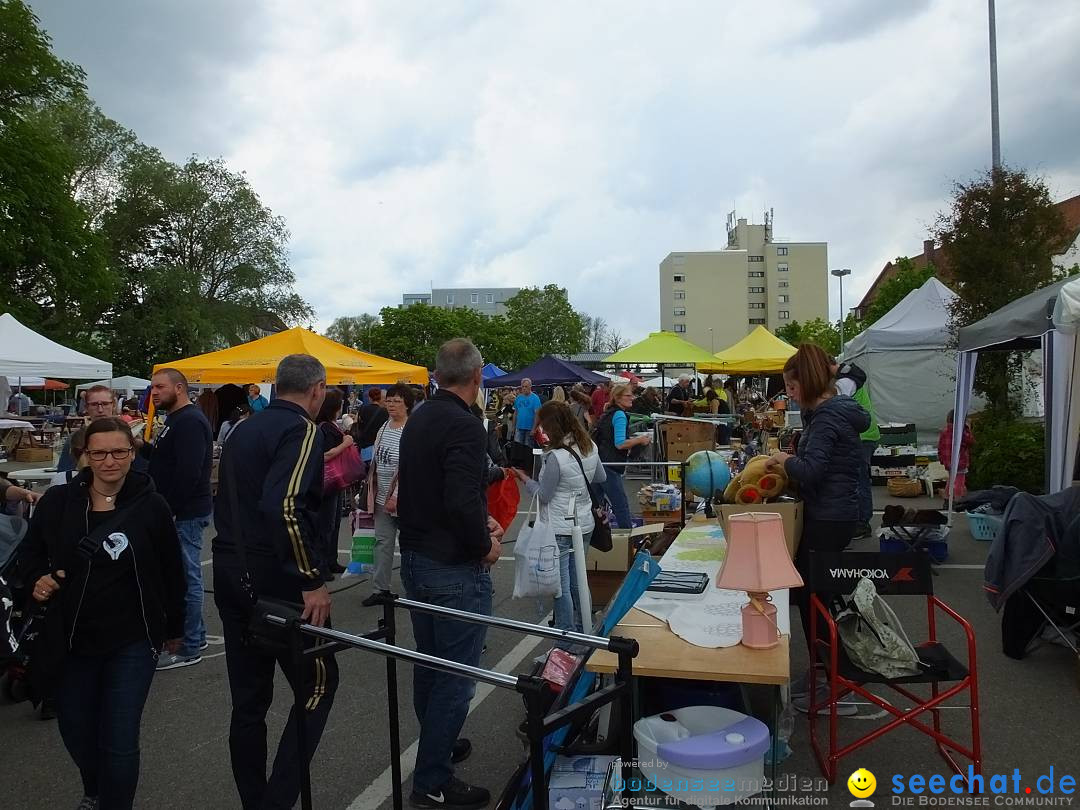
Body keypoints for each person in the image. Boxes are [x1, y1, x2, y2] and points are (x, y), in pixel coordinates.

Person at [24, 418, 186, 810]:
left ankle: (114, 802)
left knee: (120, 737)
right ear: (84, 456)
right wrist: (37, 580)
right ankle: (96, 789)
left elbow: (172, 571)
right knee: (76, 729)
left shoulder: (152, 505)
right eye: (99, 453)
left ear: (133, 454)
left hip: (131, 639)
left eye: (120, 452)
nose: (110, 461)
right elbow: (29, 557)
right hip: (71, 637)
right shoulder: (58, 503)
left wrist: (175, 627)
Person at [212, 354, 336, 810]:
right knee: (319, 683)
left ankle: (254, 799)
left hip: (230, 567)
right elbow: (284, 507)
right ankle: (276, 800)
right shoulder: (302, 429)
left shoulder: (245, 427)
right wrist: (310, 579)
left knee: (248, 701)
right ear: (317, 389)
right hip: (275, 576)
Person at [397, 338, 502, 809]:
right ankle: (432, 779)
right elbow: (459, 497)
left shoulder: (419, 417)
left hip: (418, 556)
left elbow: (439, 489)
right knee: (455, 675)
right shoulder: (464, 424)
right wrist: (485, 544)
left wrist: (479, 519)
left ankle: (437, 745)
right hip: (452, 564)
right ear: (477, 376)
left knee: (431, 663)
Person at [765, 344, 869, 710]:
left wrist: (782, 459)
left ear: (804, 383)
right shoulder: (830, 414)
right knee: (814, 599)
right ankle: (825, 670)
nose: (789, 395)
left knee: (814, 601)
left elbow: (812, 470)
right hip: (834, 515)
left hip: (828, 518)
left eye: (791, 388)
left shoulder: (826, 417)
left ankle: (832, 678)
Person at [511, 401, 606, 639]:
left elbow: (543, 494)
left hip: (558, 525)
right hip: (583, 521)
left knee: (560, 585)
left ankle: (566, 635)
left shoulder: (555, 457)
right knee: (578, 579)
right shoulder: (590, 446)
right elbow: (600, 476)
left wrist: (524, 479)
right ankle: (585, 627)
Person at [142, 368, 214, 671]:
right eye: (152, 387)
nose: (154, 393)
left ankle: (190, 644)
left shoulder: (190, 421)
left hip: (184, 513)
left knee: (185, 577)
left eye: (159, 387)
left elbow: (189, 471)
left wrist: (169, 509)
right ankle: (193, 637)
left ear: (180, 388)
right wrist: (139, 447)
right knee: (181, 575)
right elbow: (165, 460)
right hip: (177, 510)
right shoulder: (176, 419)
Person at [362, 383, 414, 607]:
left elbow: (413, 465)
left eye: (397, 401)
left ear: (408, 405)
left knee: (411, 545)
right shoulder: (384, 426)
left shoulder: (412, 429)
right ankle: (380, 588)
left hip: (404, 499)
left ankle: (415, 587)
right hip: (382, 496)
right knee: (382, 543)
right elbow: (376, 459)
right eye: (389, 400)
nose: (391, 405)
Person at [593, 383, 652, 528]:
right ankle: (628, 540)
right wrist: (640, 439)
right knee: (621, 505)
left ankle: (595, 538)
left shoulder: (608, 413)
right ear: (618, 398)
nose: (632, 398)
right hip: (610, 465)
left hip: (597, 463)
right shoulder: (619, 415)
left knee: (596, 505)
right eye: (628, 395)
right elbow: (619, 443)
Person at [834, 360, 880, 539]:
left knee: (859, 480)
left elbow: (839, 408)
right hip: (864, 435)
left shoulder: (844, 381)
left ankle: (862, 523)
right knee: (857, 480)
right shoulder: (847, 376)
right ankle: (858, 521)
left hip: (863, 436)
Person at [315, 389, 353, 580]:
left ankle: (331, 560)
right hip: (328, 480)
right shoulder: (324, 427)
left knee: (335, 522)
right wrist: (345, 443)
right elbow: (326, 455)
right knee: (326, 524)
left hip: (335, 481)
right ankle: (322, 564)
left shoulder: (328, 425)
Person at [57, 385, 117, 473]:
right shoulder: (75, 439)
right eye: (94, 404)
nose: (100, 410)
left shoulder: (126, 435)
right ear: (86, 407)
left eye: (105, 404)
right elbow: (64, 474)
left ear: (113, 405)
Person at [938, 410, 975, 502]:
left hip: (948, 461)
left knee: (951, 480)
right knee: (959, 481)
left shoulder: (945, 431)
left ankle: (947, 499)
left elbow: (940, 446)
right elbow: (970, 441)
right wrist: (968, 428)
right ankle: (958, 500)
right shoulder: (961, 431)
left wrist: (942, 460)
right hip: (960, 460)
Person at [352, 387, 389, 463]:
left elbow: (357, 423)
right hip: (379, 447)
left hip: (364, 446)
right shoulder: (385, 412)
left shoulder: (363, 409)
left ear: (370, 398)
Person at [513, 378, 542, 448]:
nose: (524, 388)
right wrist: (513, 426)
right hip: (519, 427)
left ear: (530, 387)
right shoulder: (518, 398)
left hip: (529, 428)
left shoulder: (535, 398)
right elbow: (515, 413)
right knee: (518, 448)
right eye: (522, 386)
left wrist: (534, 428)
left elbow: (537, 414)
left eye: (526, 386)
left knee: (528, 449)